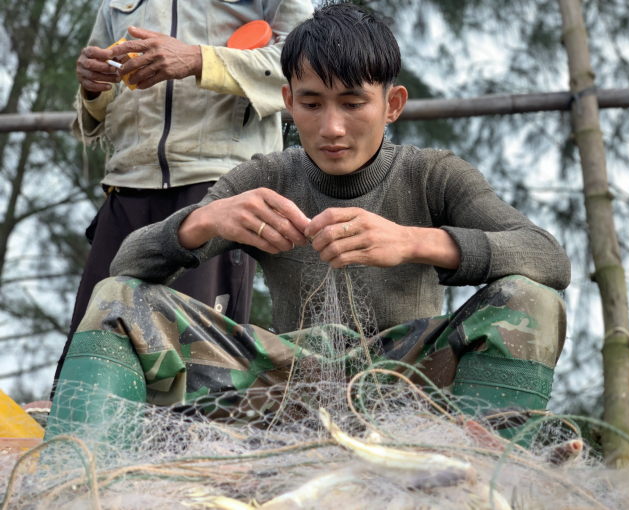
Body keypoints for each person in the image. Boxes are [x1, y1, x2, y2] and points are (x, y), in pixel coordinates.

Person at [47, 3, 570, 437]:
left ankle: (488, 470)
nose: (332, 127)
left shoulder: (433, 175)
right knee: (117, 300)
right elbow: (126, 265)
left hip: (410, 384)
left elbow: (547, 257)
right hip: (285, 385)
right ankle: (79, 476)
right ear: (287, 101)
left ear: (393, 104)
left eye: (353, 103)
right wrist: (205, 221)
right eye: (313, 104)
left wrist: (413, 242)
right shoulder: (265, 176)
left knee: (531, 300)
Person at [53, 0, 314, 393]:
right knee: (89, 361)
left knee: (197, 377)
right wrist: (92, 86)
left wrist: (197, 59)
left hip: (218, 189)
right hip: (126, 186)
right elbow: (97, 104)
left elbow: (305, 69)